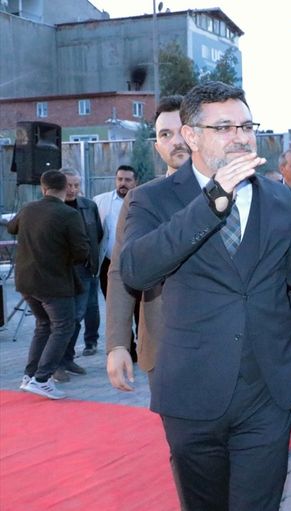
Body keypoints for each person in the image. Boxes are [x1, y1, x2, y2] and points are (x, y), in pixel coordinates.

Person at [120, 81, 291, 510]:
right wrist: (211, 200)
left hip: (268, 387)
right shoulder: (152, 199)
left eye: (247, 126)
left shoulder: (280, 198)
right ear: (191, 136)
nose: (240, 137)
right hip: (191, 389)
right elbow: (136, 270)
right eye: (225, 127)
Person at [106, 95, 189, 391]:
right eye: (165, 134)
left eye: (182, 130)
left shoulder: (232, 193)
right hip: (163, 345)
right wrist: (117, 344)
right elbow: (120, 271)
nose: (176, 141)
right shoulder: (141, 199)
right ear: (157, 146)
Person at [9, 170, 90, 400]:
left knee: (43, 325)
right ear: (65, 188)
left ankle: (29, 376)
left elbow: (12, 227)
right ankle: (42, 379)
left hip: (26, 282)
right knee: (63, 327)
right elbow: (81, 251)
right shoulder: (69, 214)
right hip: (54, 283)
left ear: (43, 189)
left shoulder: (28, 209)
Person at [56, 169, 103, 382]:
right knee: (63, 319)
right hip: (61, 272)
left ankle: (67, 359)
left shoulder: (89, 206)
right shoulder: (53, 208)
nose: (72, 189)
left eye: (76, 185)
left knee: (78, 316)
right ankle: (56, 363)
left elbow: (97, 234)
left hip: (86, 269)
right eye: (68, 185)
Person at [93, 164, 138, 356]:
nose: (123, 183)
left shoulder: (143, 199)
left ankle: (143, 346)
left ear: (135, 182)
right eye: (120, 179)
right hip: (109, 264)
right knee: (117, 307)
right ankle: (127, 348)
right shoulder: (100, 201)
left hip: (137, 263)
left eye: (127, 180)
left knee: (140, 308)